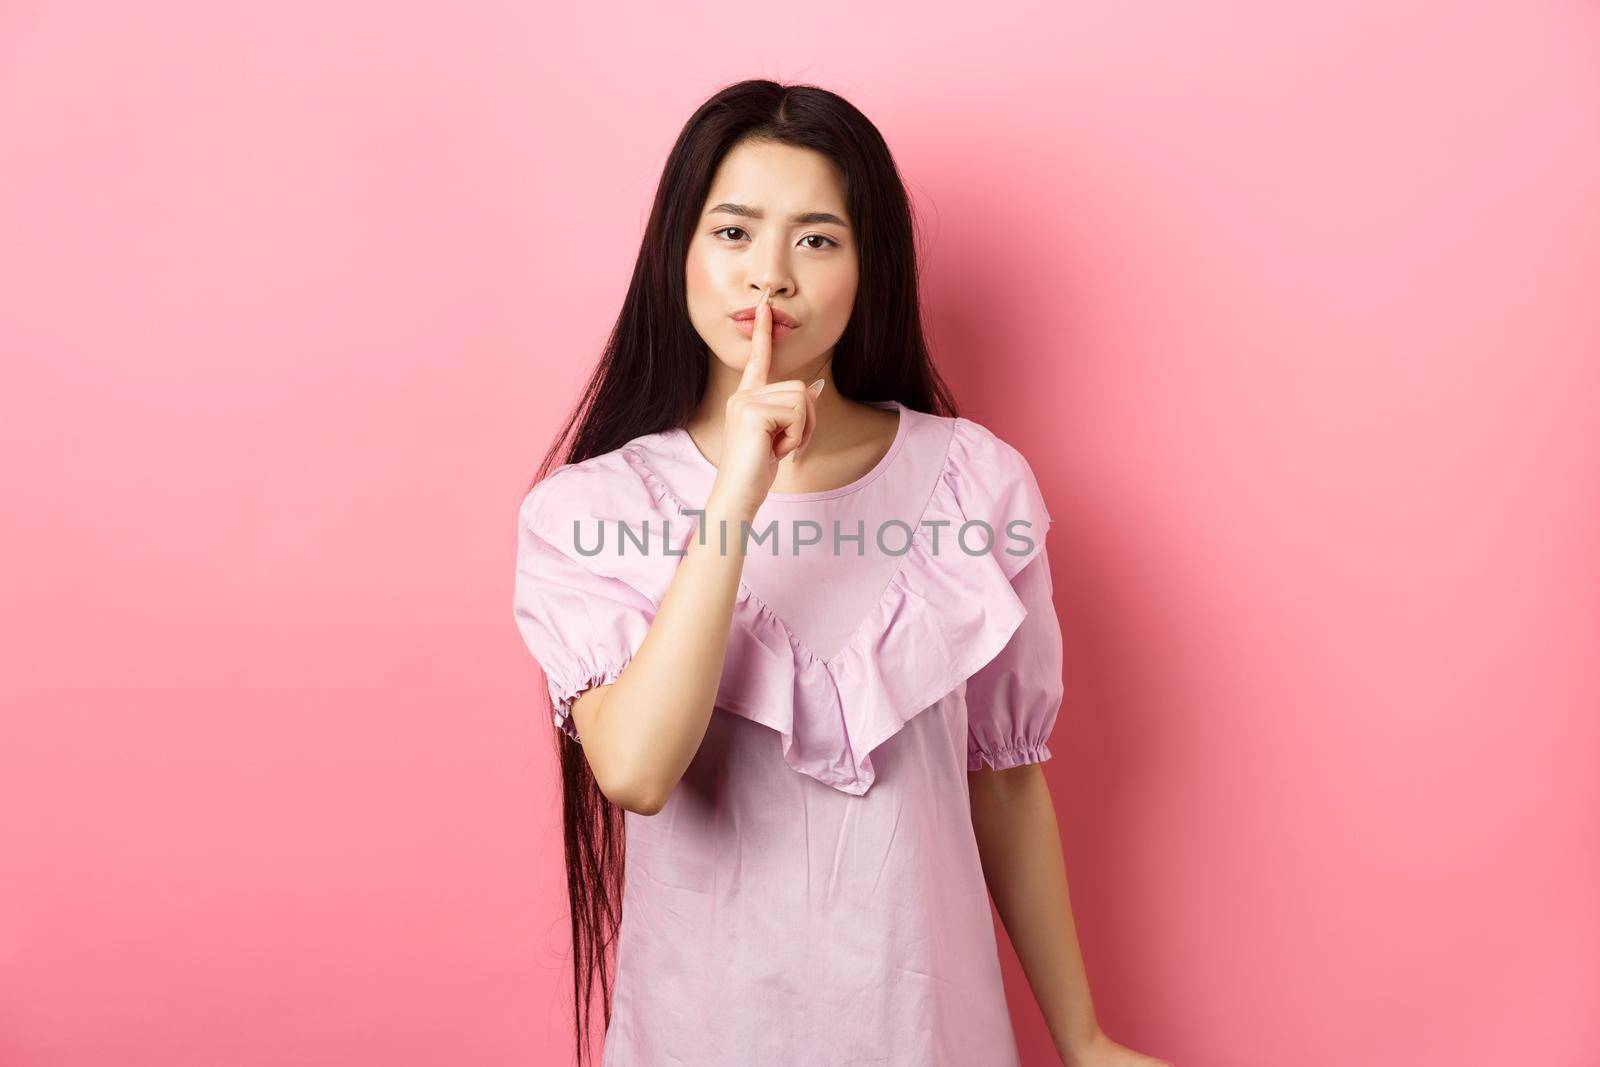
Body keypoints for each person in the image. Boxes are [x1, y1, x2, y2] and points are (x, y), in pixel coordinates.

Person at [513, 79, 1171, 1067]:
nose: (767, 277)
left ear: (869, 268)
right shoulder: (588, 510)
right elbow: (638, 769)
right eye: (733, 233)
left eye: (815, 239)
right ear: (677, 253)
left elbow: (1006, 782)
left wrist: (1081, 1035)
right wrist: (737, 486)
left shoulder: (973, 483)